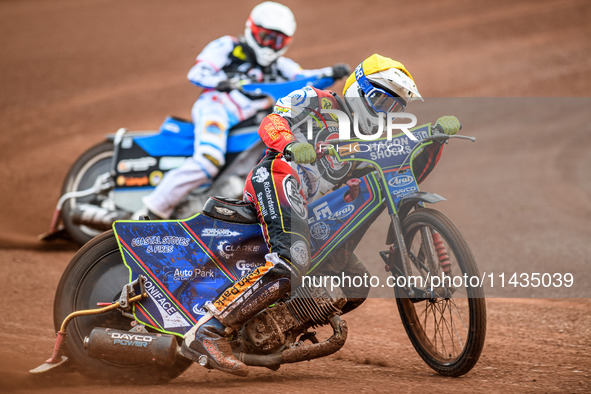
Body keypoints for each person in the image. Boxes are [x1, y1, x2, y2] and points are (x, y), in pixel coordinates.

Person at [181, 54, 462, 376]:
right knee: (292, 259)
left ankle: (269, 332)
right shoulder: (316, 100)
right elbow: (272, 121)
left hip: (313, 209)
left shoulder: (375, 137)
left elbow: (406, 172)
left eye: (395, 106)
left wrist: (434, 139)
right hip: (279, 175)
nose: (385, 110)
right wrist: (289, 143)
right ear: (359, 88)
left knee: (355, 283)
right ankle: (209, 331)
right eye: (381, 99)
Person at [140, 1, 350, 219]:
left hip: (249, 120)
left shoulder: (280, 65)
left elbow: (303, 78)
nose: (270, 46)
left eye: (277, 40)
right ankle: (152, 210)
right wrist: (221, 81)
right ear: (252, 29)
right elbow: (197, 72)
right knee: (208, 160)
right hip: (216, 108)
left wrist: (331, 72)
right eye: (266, 37)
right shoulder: (228, 46)